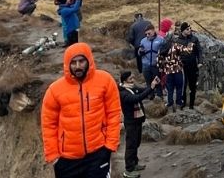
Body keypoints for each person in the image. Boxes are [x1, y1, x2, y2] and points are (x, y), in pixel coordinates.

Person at [41, 42, 122, 178]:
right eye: (73, 62)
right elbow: (48, 124)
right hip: (67, 160)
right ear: (67, 64)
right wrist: (53, 156)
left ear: (89, 61)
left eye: (81, 61)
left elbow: (113, 114)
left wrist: (110, 146)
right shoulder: (54, 90)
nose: (77, 66)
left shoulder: (105, 81)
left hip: (98, 154)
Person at [118, 70, 157, 178]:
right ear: (125, 80)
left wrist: (152, 86)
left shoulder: (132, 88)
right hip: (131, 122)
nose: (133, 80)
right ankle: (128, 170)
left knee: (136, 143)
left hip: (137, 120)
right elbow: (137, 98)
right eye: (130, 79)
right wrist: (151, 87)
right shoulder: (123, 93)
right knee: (131, 146)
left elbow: (143, 90)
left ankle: (134, 163)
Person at [173, 22, 203, 109]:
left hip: (193, 65)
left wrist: (200, 61)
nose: (189, 30)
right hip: (182, 66)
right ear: (183, 30)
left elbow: (199, 51)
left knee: (193, 85)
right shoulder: (178, 40)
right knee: (183, 85)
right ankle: (183, 103)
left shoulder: (194, 39)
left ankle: (192, 105)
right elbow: (175, 54)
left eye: (190, 28)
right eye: (187, 29)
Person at [158, 39, 185, 112]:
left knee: (170, 89)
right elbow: (187, 50)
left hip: (168, 72)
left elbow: (159, 60)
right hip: (177, 70)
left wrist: (161, 68)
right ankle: (178, 104)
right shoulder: (176, 46)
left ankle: (170, 105)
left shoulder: (162, 48)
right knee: (179, 88)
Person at [138, 26, 164, 97]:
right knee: (148, 83)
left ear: (153, 31)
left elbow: (164, 51)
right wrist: (140, 52)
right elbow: (139, 51)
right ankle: (150, 96)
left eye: (149, 33)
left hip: (156, 65)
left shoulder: (161, 40)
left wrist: (162, 63)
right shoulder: (143, 41)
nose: (147, 35)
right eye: (146, 34)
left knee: (157, 82)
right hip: (146, 65)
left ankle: (159, 97)